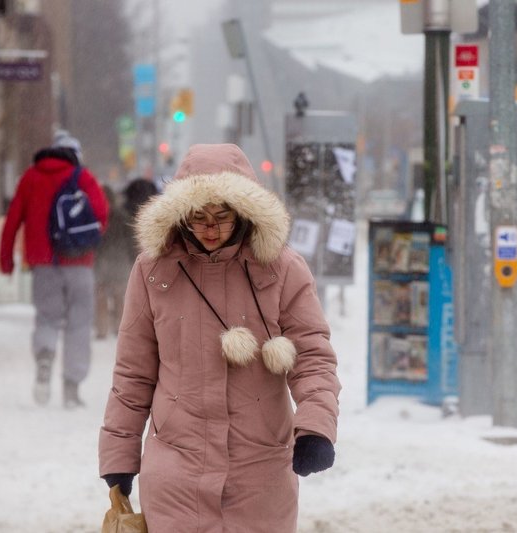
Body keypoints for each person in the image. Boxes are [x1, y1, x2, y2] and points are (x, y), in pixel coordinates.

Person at [98, 143, 341, 532]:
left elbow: (313, 357)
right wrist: (119, 458)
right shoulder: (152, 272)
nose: (210, 228)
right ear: (180, 214)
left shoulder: (282, 269)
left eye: (222, 216)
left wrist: (316, 427)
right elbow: (132, 375)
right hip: (176, 472)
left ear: (244, 212)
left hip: (260, 475)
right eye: (197, 217)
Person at [0, 134, 109, 408]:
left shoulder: (31, 177)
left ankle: (45, 355)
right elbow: (101, 215)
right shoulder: (83, 178)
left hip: (43, 265)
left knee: (47, 318)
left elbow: (13, 219)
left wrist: (6, 259)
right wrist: (81, 244)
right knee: (79, 324)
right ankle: (71, 387)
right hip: (79, 264)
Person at [93, 185, 132, 339]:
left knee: (100, 297)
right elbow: (132, 241)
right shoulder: (123, 216)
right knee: (119, 298)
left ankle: (101, 328)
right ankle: (119, 328)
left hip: (100, 262)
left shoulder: (95, 215)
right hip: (120, 262)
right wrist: (133, 259)